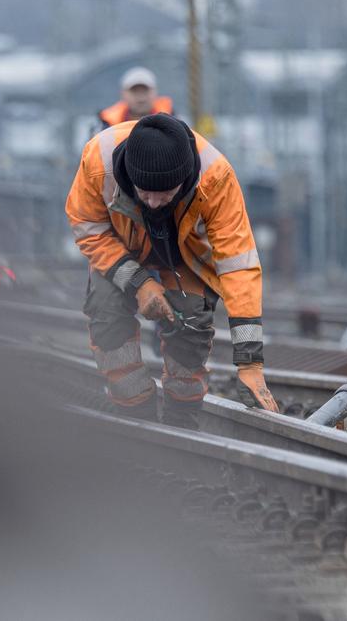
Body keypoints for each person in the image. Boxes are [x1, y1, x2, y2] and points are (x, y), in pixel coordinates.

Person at [65, 113, 278, 428]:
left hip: (183, 258)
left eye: (164, 193)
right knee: (107, 313)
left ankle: (182, 417)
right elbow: (88, 228)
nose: (152, 203)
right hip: (119, 253)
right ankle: (135, 409)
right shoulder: (99, 161)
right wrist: (138, 283)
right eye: (144, 192)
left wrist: (250, 362)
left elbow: (238, 264)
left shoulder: (216, 177)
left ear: (185, 177)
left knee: (191, 325)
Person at [98, 67, 174, 129]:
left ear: (155, 92)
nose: (141, 97)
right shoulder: (104, 126)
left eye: (145, 91)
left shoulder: (174, 122)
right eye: (134, 91)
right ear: (123, 93)